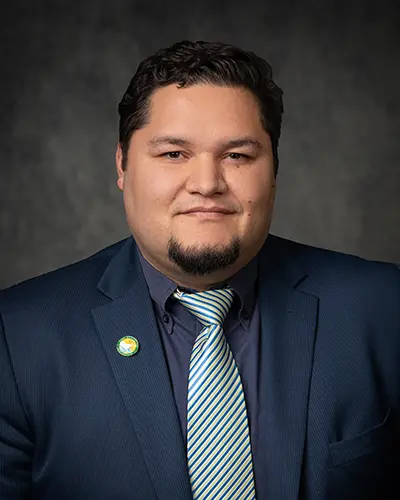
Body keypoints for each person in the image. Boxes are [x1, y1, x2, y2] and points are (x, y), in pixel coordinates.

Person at [0, 40, 399, 500]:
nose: (207, 183)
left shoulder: (384, 309)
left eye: (238, 156)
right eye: (173, 154)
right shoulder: (18, 338)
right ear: (123, 166)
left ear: (273, 170)